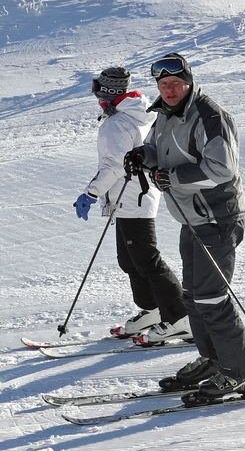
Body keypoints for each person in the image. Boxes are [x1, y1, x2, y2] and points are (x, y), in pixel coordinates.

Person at [126, 53, 245, 398]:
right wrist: (144, 156)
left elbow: (222, 169)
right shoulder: (166, 115)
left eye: (175, 83)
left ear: (188, 82)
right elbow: (157, 148)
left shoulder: (209, 116)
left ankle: (242, 373)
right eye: (163, 84)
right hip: (192, 218)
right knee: (194, 296)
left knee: (212, 297)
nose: (169, 90)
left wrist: (172, 177)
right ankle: (213, 360)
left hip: (218, 216)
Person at [72, 66, 190, 345]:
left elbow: (113, 166)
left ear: (108, 91)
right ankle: (154, 310)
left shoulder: (119, 123)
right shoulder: (133, 114)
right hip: (131, 197)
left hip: (133, 196)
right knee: (130, 260)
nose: (96, 94)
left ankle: (182, 318)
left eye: (97, 88)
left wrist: (90, 193)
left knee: (146, 259)